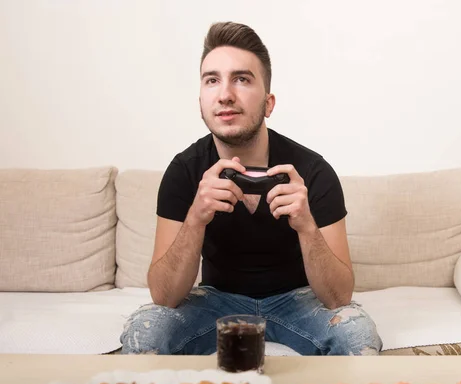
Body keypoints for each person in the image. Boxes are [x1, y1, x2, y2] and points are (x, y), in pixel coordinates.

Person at [120, 21, 382, 356]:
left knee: (357, 332)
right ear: (201, 100)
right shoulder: (184, 171)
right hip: (215, 301)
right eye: (212, 80)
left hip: (298, 301)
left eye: (241, 79)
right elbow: (165, 296)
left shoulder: (313, 172)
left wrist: (306, 226)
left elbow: (338, 298)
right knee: (146, 329)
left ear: (269, 104)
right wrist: (195, 218)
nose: (225, 94)